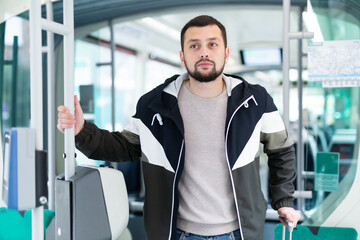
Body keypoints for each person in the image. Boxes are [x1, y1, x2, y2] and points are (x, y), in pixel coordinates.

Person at [57, 15, 300, 240]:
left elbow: (282, 150)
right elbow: (124, 147)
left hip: (238, 232)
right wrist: (82, 130)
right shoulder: (155, 105)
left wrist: (284, 200)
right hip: (177, 233)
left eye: (212, 45)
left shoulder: (254, 101)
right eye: (194, 46)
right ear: (183, 56)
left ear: (225, 53)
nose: (203, 52)